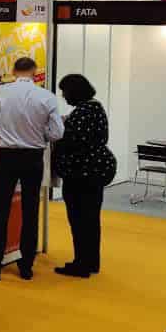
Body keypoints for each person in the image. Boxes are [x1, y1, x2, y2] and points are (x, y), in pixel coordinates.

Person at [0, 57, 64, 281]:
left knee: (0, 211)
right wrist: (40, 135)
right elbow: (57, 133)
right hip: (33, 157)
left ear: (14, 71)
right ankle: (26, 266)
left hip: (7, 156)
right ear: (34, 72)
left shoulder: (0, 92)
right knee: (31, 210)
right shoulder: (47, 96)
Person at [52, 74, 117, 278]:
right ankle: (90, 261)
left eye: (64, 91)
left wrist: (58, 134)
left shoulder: (83, 112)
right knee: (91, 219)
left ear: (74, 91)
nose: (63, 96)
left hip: (81, 174)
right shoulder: (95, 107)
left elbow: (71, 141)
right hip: (95, 172)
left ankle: (81, 263)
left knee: (79, 219)